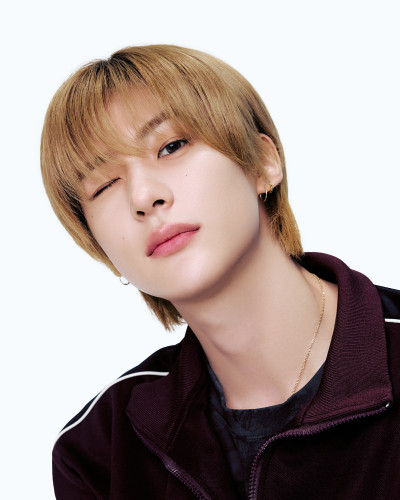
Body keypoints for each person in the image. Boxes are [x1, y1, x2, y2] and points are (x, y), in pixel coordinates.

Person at [41, 45, 400, 499]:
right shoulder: (99, 450)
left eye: (171, 146)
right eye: (105, 185)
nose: (143, 196)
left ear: (263, 162)